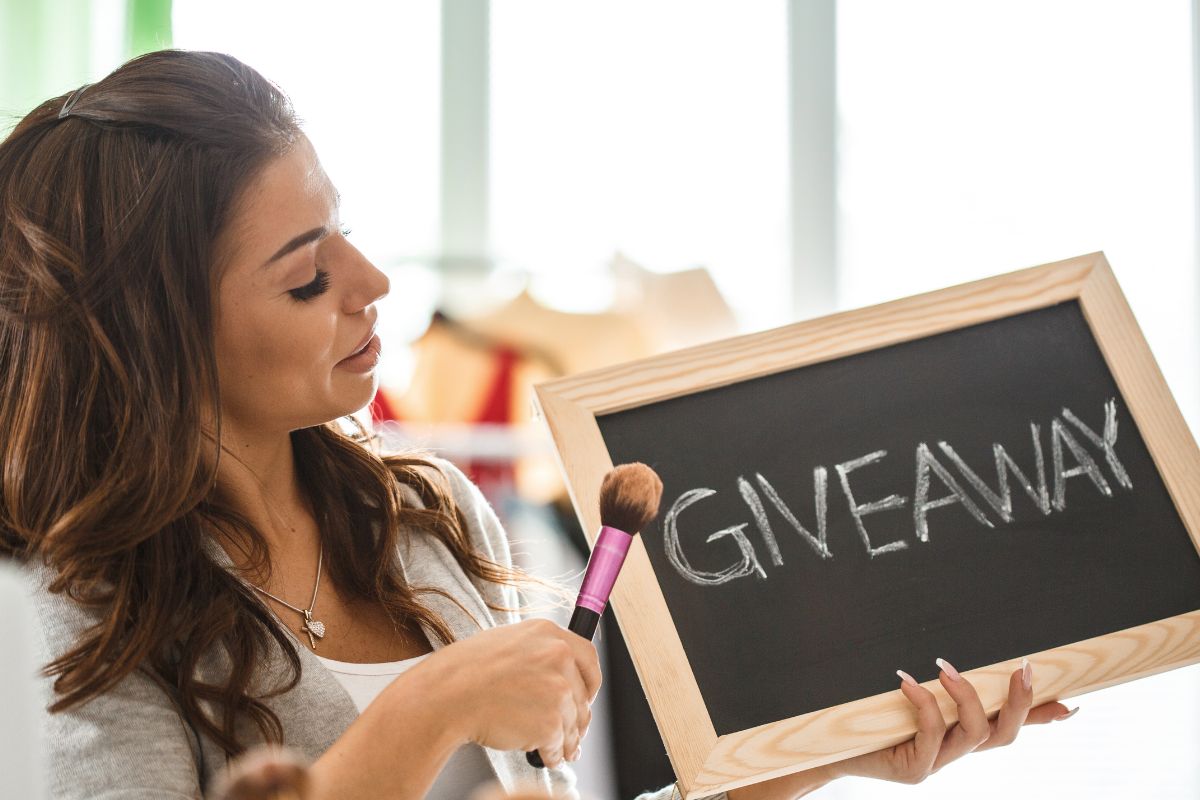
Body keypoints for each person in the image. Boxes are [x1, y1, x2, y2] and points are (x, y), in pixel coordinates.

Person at [0, 50, 1076, 800]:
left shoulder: (421, 515)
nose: (372, 282)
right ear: (156, 336)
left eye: (350, 234)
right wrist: (439, 697)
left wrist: (823, 753)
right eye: (305, 276)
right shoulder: (73, 628)